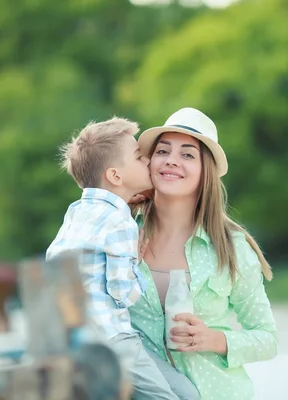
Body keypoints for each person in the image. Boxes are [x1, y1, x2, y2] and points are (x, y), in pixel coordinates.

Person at [130, 107, 279, 400]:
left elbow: (268, 339)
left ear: (204, 172)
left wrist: (214, 339)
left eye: (187, 154)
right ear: (150, 162)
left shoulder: (231, 247)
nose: (172, 160)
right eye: (163, 151)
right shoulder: (121, 234)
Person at [46, 117, 198, 400]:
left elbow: (53, 259)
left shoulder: (75, 212)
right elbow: (123, 294)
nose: (148, 162)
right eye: (139, 158)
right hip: (113, 339)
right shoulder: (121, 223)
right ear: (116, 176)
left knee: (185, 392)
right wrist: (136, 266)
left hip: (77, 340)